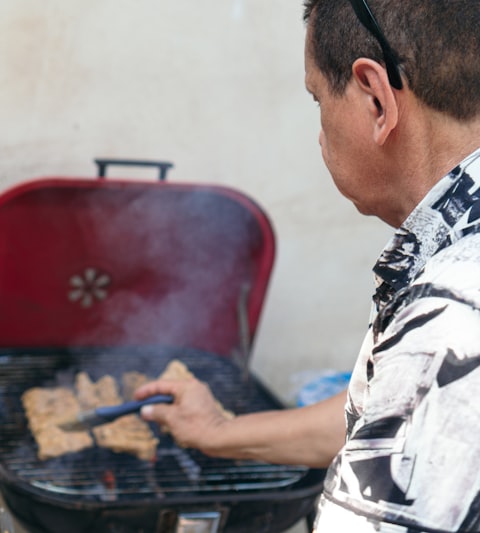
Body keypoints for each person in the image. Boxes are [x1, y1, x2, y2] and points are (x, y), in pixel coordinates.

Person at [134, 0, 480, 531]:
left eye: (317, 99)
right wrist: (217, 429)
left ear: (376, 99)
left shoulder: (452, 313)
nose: (319, 133)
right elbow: (400, 414)